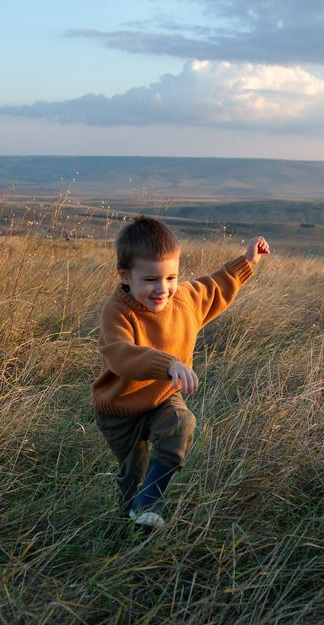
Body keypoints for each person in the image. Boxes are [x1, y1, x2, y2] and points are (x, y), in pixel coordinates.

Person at [92, 215, 270, 530]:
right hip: (120, 408)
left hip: (161, 399)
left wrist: (247, 261)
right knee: (133, 472)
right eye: (150, 280)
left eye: (171, 277)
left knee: (181, 422)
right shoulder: (117, 311)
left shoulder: (183, 301)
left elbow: (215, 285)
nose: (163, 289)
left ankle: (148, 506)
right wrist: (168, 364)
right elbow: (122, 356)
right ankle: (126, 524)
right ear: (126, 275)